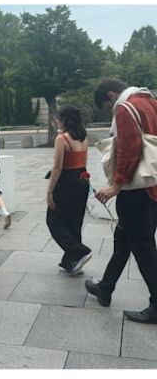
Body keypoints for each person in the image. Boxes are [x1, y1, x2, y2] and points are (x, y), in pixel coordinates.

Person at [85, 78, 157, 324]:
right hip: (152, 185)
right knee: (124, 238)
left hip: (135, 189)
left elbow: (129, 148)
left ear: (112, 95)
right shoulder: (150, 101)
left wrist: (116, 183)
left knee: (143, 247)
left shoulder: (125, 107)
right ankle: (105, 288)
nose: (110, 109)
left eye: (107, 105)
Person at [46, 106, 92, 274]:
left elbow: (57, 168)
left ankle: (80, 251)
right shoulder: (83, 137)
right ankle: (71, 262)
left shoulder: (62, 139)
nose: (56, 121)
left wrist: (49, 191)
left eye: (58, 118)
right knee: (74, 221)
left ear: (64, 120)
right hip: (82, 179)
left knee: (54, 219)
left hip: (66, 181)